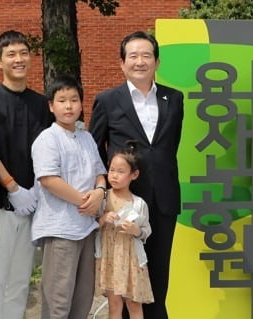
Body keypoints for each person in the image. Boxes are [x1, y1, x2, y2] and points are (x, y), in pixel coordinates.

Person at [89, 31, 184, 319]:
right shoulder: (107, 100)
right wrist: (102, 192)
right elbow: (94, 153)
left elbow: (167, 149)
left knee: (157, 274)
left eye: (146, 55)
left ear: (156, 62)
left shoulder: (174, 98)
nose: (140, 61)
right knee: (125, 280)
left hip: (164, 200)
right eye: (133, 55)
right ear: (122, 63)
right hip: (123, 206)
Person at [31, 75, 107, 319]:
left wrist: (99, 192)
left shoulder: (86, 138)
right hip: (61, 228)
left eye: (74, 100)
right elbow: (48, 179)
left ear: (81, 104)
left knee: (83, 298)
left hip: (86, 227)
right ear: (51, 106)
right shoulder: (47, 139)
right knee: (58, 301)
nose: (68, 106)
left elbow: (100, 173)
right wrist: (85, 202)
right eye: (62, 100)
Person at [0, 30, 53, 319]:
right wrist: (12, 187)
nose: (19, 59)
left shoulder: (42, 104)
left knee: (19, 283)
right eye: (11, 54)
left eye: (23, 53)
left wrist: (38, 191)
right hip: (0, 206)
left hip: (32, 207)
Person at [95, 141, 154, 319]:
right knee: (114, 304)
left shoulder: (138, 204)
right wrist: (104, 219)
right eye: (112, 170)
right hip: (110, 258)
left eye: (121, 172)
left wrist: (136, 230)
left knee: (134, 303)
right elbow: (92, 225)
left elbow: (146, 231)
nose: (114, 176)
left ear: (134, 175)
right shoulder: (103, 198)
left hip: (132, 260)